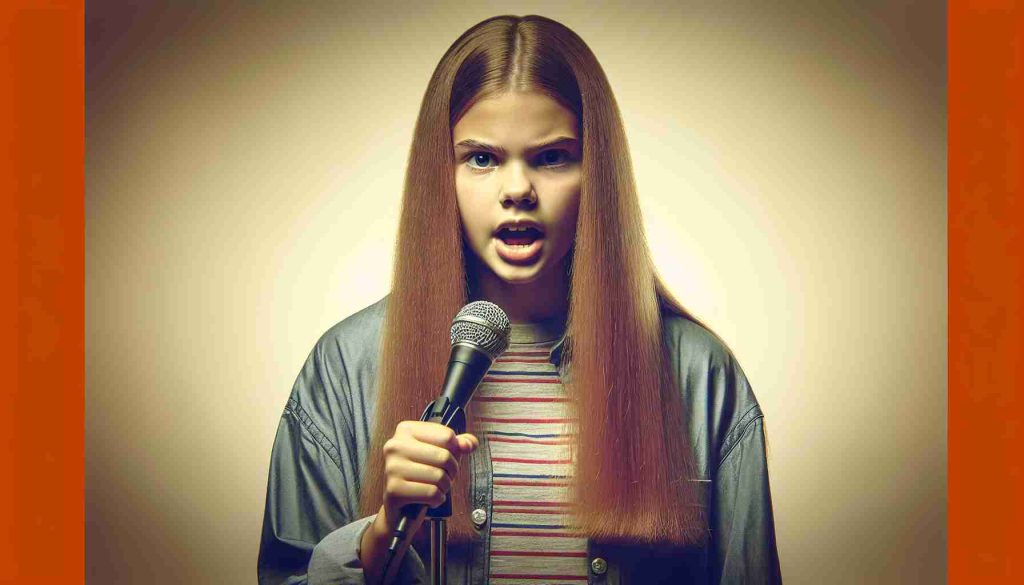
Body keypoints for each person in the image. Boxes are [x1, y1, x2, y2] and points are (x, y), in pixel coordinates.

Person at [258, 14, 781, 585]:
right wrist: (381, 531)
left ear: (596, 171)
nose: (516, 190)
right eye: (481, 158)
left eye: (552, 156)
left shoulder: (699, 375)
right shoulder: (344, 370)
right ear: (444, 173)